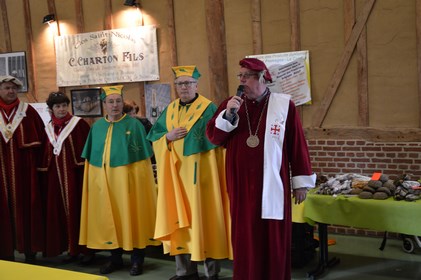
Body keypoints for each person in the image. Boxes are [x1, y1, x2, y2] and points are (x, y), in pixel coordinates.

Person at [206, 58, 316, 280]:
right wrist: (228, 115)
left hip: (274, 182)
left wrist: (301, 183)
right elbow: (214, 138)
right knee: (245, 236)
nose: (242, 80)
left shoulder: (284, 105)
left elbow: (296, 144)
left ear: (263, 78)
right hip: (241, 185)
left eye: (247, 76)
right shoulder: (232, 103)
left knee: (273, 236)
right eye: (240, 76)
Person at [147, 66, 231, 280]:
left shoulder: (208, 108)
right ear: (176, 87)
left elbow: (219, 138)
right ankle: (185, 272)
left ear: (196, 85)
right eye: (179, 84)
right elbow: (155, 137)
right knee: (179, 220)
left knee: (206, 220)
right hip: (177, 176)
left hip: (202, 176)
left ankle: (212, 273)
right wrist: (168, 136)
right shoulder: (171, 109)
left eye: (187, 83)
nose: (184, 87)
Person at [79, 85, 160, 276]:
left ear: (122, 103)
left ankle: (137, 260)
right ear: (104, 104)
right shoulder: (97, 126)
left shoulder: (134, 125)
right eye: (110, 102)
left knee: (133, 216)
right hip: (105, 183)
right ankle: (115, 258)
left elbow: (143, 161)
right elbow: (92, 158)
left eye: (118, 101)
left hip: (128, 183)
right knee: (111, 218)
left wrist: (137, 183)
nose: (115, 105)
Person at [38, 92, 94, 264]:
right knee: (61, 213)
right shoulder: (48, 127)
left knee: (81, 211)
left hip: (76, 177)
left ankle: (87, 250)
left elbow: (88, 150)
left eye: (64, 105)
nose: (61, 109)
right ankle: (71, 249)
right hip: (56, 178)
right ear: (51, 109)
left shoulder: (79, 125)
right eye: (57, 106)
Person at [0, 75, 45, 263]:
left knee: (27, 206)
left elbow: (43, 138)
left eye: (13, 88)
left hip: (25, 172)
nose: (11, 91)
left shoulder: (28, 111)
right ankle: (5, 250)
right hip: (1, 171)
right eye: (6, 88)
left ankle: (29, 248)